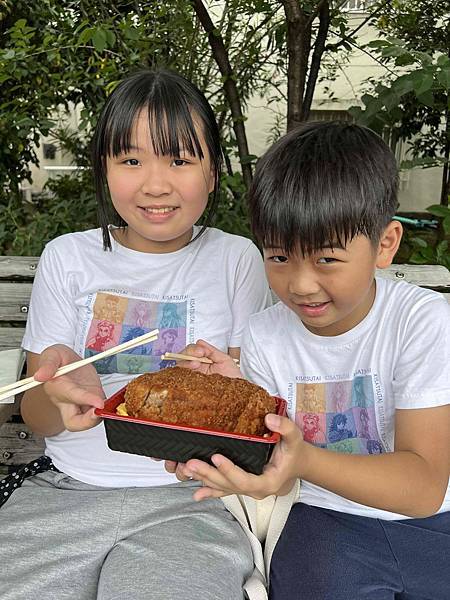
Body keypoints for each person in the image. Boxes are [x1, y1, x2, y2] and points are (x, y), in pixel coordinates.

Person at [0, 68, 272, 600]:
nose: (155, 184)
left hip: (192, 501)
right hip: (62, 495)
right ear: (104, 169)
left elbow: (249, 418)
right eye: (131, 160)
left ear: (213, 172)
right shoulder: (68, 257)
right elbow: (37, 418)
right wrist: (58, 391)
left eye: (180, 159)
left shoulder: (237, 259)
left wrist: (227, 389)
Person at [171, 122, 450, 600]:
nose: (299, 284)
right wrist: (231, 398)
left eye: (325, 260)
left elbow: (423, 487)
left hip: (432, 526)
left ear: (385, 244)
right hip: (320, 521)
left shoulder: (422, 322)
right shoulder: (264, 335)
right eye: (279, 257)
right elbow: (273, 467)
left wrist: (302, 458)